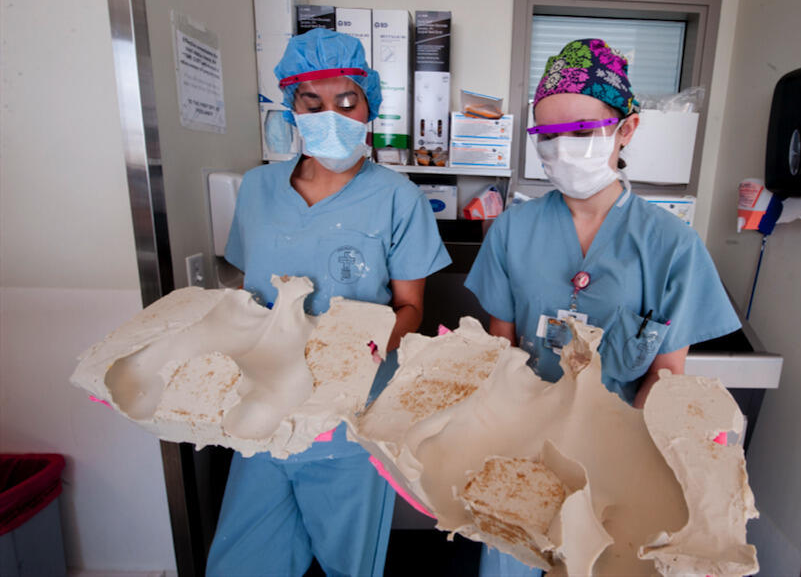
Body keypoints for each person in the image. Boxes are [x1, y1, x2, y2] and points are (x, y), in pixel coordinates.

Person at [464, 38, 741, 576]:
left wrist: (612, 449)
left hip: (616, 458)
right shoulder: (513, 230)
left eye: (582, 132)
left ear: (626, 129)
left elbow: (665, 378)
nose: (562, 149)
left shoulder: (671, 246)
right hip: (520, 447)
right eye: (548, 135)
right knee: (510, 558)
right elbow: (500, 349)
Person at [206, 29, 451, 577]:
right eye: (311, 104)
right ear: (291, 110)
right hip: (261, 406)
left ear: (369, 107)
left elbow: (410, 309)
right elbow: (247, 292)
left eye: (346, 101)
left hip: (348, 418)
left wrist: (352, 356)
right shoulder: (258, 189)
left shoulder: (399, 199)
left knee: (349, 562)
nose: (331, 117)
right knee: (244, 561)